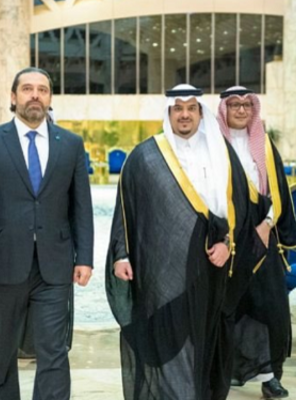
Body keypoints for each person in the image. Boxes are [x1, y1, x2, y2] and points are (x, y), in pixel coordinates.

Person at [105, 84, 264, 400]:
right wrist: (122, 254)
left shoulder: (221, 152)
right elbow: (126, 207)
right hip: (160, 269)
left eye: (192, 108)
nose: (185, 114)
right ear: (168, 113)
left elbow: (241, 209)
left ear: (201, 113)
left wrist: (228, 244)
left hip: (210, 267)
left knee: (202, 340)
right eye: (178, 108)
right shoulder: (145, 156)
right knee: (166, 336)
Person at [0, 67, 94, 400]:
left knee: (54, 348)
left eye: (42, 90)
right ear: (13, 96)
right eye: (27, 89)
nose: (35, 95)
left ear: (49, 98)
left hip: (55, 265)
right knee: (3, 348)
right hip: (2, 263)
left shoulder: (71, 144)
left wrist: (85, 258)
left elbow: (82, 206)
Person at [216, 86, 296, 399]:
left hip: (261, 237)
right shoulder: (213, 145)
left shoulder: (264, 145)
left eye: (247, 105)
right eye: (234, 105)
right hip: (224, 239)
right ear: (224, 110)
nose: (241, 110)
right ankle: (221, 373)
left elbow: (277, 191)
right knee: (227, 306)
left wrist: (267, 225)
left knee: (268, 306)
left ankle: (270, 377)